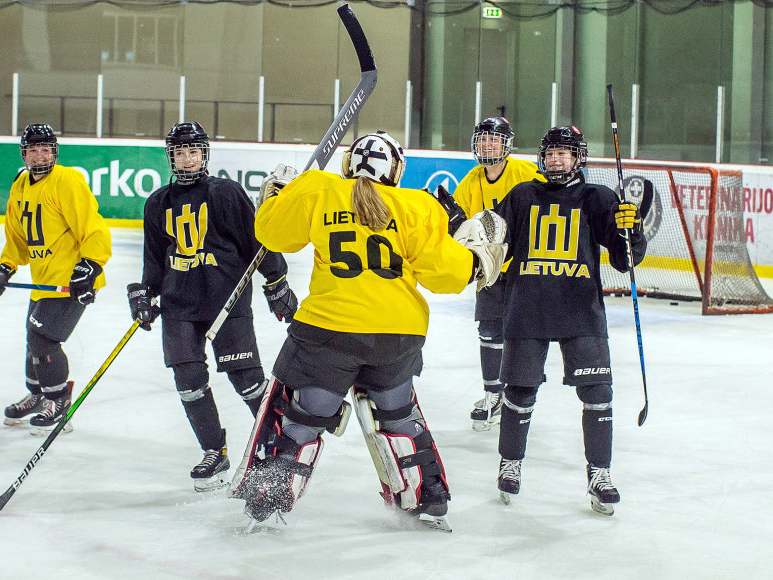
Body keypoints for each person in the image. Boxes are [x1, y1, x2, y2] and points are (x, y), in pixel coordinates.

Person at [228, 131, 508, 532]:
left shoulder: (319, 188)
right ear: (395, 171)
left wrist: (275, 195)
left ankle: (268, 498)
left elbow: (272, 235)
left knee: (305, 418)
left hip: (329, 332)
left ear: (348, 165)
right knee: (398, 417)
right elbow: (447, 275)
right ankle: (427, 499)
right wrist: (475, 258)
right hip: (397, 336)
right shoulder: (417, 205)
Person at [127, 121, 298, 492]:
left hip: (227, 300)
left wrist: (276, 281)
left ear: (204, 153)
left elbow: (258, 242)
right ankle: (213, 450)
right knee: (189, 383)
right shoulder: (157, 203)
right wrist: (144, 292)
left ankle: (276, 444)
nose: (187, 160)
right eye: (180, 152)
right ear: (170, 157)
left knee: (248, 382)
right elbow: (154, 260)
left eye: (193, 151)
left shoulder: (225, 193)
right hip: (178, 306)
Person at [491, 125, 647, 516]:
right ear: (542, 158)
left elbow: (624, 259)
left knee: (598, 394)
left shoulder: (597, 197)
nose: (557, 159)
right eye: (551, 153)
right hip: (527, 308)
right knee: (520, 392)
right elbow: (492, 244)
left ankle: (600, 474)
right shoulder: (522, 195)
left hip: (581, 311)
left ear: (579, 158)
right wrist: (463, 229)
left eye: (565, 152)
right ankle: (510, 463)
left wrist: (633, 230)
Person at [0, 123, 112, 436]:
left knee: (44, 339)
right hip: (44, 281)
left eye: (46, 148)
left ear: (54, 152)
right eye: (34, 149)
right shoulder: (21, 184)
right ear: (24, 153)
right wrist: (5, 266)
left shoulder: (66, 180)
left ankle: (58, 401)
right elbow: (16, 234)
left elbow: (93, 225)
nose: (40, 154)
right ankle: (38, 395)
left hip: (73, 280)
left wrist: (91, 264)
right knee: (32, 338)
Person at [453, 117, 545, 431]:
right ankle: (492, 395)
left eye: (494, 140)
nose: (487, 145)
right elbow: (459, 221)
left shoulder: (525, 173)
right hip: (489, 269)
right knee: (489, 332)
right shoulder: (471, 180)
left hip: (522, 269)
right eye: (483, 140)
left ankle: (517, 395)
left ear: (506, 144)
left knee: (519, 335)